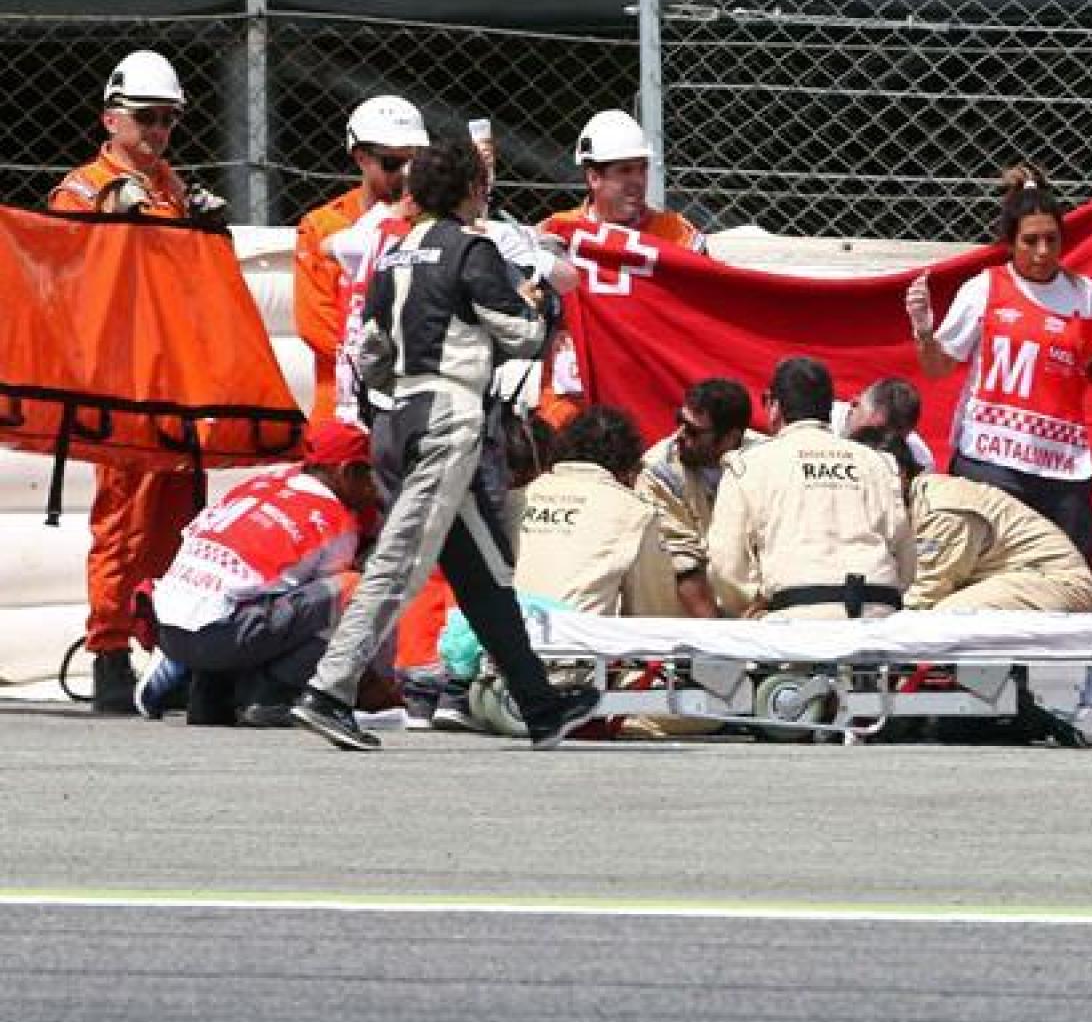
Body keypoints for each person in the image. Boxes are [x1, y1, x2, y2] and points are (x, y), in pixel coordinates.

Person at [291, 136, 600, 752]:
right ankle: (329, 691)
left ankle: (539, 707)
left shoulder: (391, 255)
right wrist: (547, 303)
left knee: (484, 572)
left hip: (396, 419)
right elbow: (522, 334)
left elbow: (370, 356)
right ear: (469, 190)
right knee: (401, 559)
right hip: (448, 419)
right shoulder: (472, 250)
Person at [47, 49, 223, 714]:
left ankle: (171, 647)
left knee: (181, 520)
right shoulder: (82, 190)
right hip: (117, 381)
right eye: (147, 118)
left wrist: (206, 232)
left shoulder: (174, 190)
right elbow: (66, 282)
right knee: (121, 522)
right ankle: (110, 652)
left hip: (175, 378)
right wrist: (108, 227)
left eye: (169, 120)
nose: (158, 132)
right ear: (112, 118)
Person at [904, 165, 1092, 557]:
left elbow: (1088, 371)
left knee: (1066, 573)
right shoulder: (984, 289)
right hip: (990, 459)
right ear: (1010, 242)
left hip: (1063, 467)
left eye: (1052, 240)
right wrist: (924, 330)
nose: (1043, 252)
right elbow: (938, 367)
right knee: (981, 567)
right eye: (1031, 241)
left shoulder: (1084, 294)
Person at [146, 421, 380, 727]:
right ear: (348, 472)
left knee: (259, 593)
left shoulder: (260, 484)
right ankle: (271, 694)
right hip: (220, 635)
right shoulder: (334, 521)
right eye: (372, 476)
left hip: (167, 628)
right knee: (355, 590)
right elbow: (321, 619)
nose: (376, 489)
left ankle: (210, 690)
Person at [534, 109, 708, 431]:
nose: (637, 182)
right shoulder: (555, 234)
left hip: (649, 396)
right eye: (624, 170)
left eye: (642, 169)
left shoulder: (677, 235)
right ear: (593, 177)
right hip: (571, 402)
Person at [707, 356, 915, 619]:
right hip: (878, 611)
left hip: (794, 614)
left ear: (773, 405)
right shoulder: (877, 463)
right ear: (829, 407)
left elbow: (727, 565)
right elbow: (905, 559)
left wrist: (750, 604)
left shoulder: (748, 466)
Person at [294, 96, 430, 423]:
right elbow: (316, 324)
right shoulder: (322, 226)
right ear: (361, 157)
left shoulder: (434, 223)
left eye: (416, 162)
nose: (406, 174)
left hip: (414, 397)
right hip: (343, 404)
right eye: (393, 163)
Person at [852, 431, 1092, 613]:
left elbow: (923, 596)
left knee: (941, 618)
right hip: (1009, 580)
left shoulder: (942, 509)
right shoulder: (903, 506)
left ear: (900, 475)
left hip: (1056, 583)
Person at [515, 405, 683, 617]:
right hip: (569, 643)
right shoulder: (636, 513)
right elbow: (654, 616)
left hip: (487, 639)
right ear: (629, 467)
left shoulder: (517, 498)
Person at [634, 377, 763, 617]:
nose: (680, 435)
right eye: (680, 422)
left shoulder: (767, 460)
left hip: (759, 605)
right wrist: (722, 642)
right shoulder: (659, 472)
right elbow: (683, 564)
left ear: (730, 438)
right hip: (695, 615)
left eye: (693, 431)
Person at [832, 376, 936, 472]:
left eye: (891, 439)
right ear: (854, 403)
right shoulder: (820, 424)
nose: (878, 441)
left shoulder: (919, 460)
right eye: (870, 432)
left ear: (907, 435)